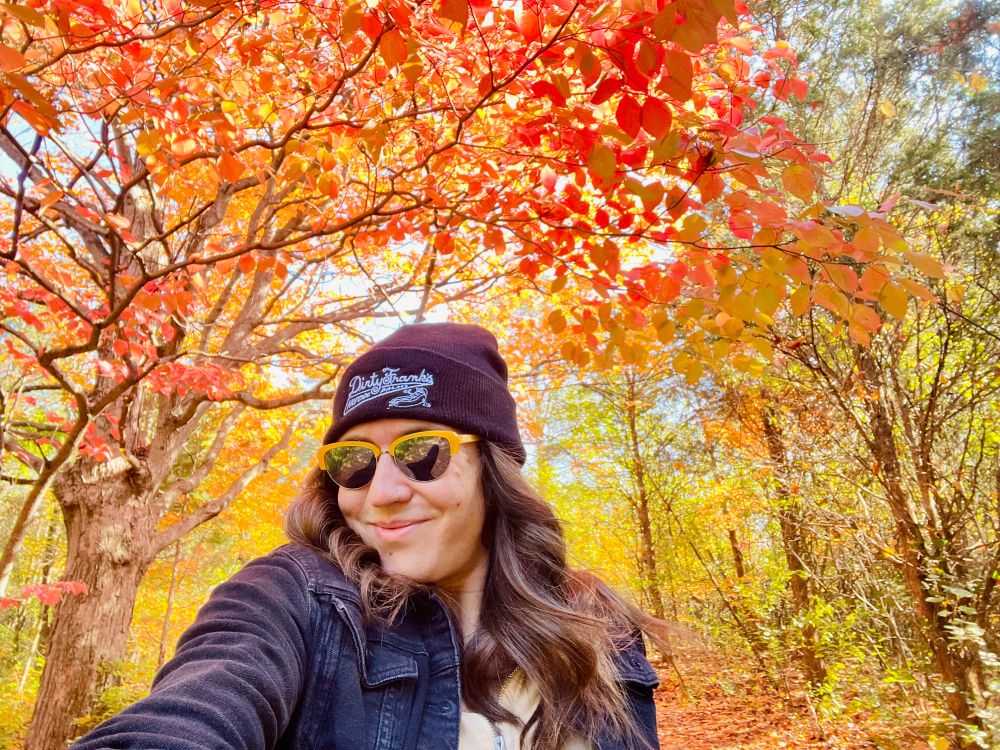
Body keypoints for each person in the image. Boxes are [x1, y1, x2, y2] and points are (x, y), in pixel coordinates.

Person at [70, 323, 662, 750]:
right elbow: (197, 704)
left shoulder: (594, 627)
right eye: (353, 461)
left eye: (421, 453)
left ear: (495, 469)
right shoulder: (295, 598)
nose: (379, 493)